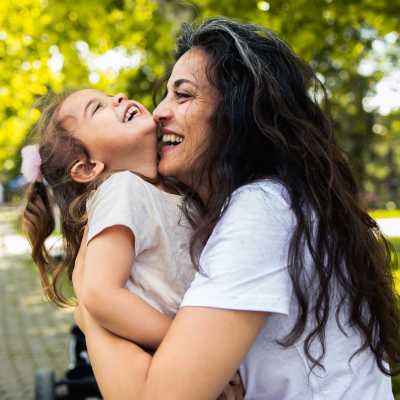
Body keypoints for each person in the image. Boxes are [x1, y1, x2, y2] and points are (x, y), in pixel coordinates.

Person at [74, 17, 400, 399]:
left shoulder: (262, 213)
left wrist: (91, 312)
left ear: (238, 112)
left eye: (183, 95)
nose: (159, 112)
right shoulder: (272, 202)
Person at [21, 89, 197, 355]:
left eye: (110, 96)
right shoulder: (121, 189)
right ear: (88, 168)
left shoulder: (170, 188)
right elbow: (100, 295)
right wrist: (190, 348)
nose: (119, 96)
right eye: (97, 108)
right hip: (175, 356)